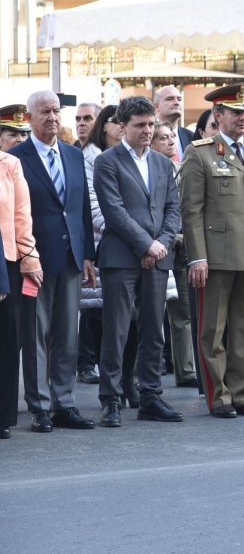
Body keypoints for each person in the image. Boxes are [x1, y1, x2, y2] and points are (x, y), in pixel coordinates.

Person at [179, 82, 244, 418]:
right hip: (216, 256)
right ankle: (218, 396)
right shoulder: (200, 152)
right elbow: (191, 210)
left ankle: (242, 392)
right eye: (235, 112)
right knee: (213, 330)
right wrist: (198, 255)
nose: (243, 118)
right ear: (217, 116)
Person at [92, 97, 184, 427]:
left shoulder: (162, 163)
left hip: (158, 257)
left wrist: (161, 243)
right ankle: (111, 399)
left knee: (153, 332)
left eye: (150, 125)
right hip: (121, 258)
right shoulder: (107, 162)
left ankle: (151, 397)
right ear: (122, 127)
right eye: (139, 126)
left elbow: (173, 208)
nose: (147, 131)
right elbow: (113, 212)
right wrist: (147, 244)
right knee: (116, 331)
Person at [12, 90, 97, 432]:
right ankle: (40, 406)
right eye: (44, 112)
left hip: (71, 258)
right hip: (34, 260)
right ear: (29, 118)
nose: (52, 117)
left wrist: (89, 253)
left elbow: (82, 211)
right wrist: (23, 255)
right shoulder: (16, 158)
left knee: (67, 334)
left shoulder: (73, 156)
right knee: (36, 333)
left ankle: (65, 403)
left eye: (56, 111)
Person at [0, 104, 41, 440]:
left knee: (7, 338)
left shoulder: (11, 166)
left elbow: (21, 218)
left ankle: (2, 415)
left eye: (22, 134)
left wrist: (29, 260)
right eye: (12, 134)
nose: (18, 140)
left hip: (7, 262)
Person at [150, 122, 197, 388]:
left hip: (180, 250)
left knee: (183, 313)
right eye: (163, 138)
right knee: (151, 314)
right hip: (157, 247)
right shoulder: (152, 169)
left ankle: (186, 369)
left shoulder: (180, 168)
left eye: (171, 137)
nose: (170, 141)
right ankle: (143, 371)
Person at [77, 104, 121, 388]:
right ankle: (85, 362)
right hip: (98, 238)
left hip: (120, 239)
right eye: (115, 121)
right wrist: (122, 229)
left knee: (111, 309)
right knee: (94, 306)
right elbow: (92, 203)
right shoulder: (90, 157)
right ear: (104, 125)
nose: (120, 126)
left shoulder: (124, 155)